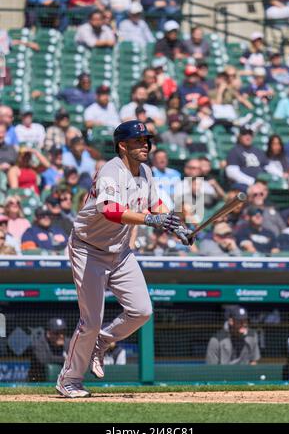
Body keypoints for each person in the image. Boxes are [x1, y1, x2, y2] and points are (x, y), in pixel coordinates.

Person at [56, 120, 193, 398]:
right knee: (90, 321)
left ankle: (102, 342)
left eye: (146, 141)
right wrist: (150, 219)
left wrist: (175, 225)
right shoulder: (110, 170)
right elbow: (109, 210)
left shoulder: (145, 170)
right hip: (88, 249)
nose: (145, 145)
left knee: (142, 311)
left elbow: (155, 204)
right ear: (123, 145)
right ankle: (69, 380)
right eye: (138, 141)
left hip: (118, 251)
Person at [225, 127, 270, 191]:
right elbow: (231, 173)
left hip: (261, 184)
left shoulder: (258, 151)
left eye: (250, 134)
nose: (248, 137)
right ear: (239, 136)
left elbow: (268, 166)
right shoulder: (235, 151)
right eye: (244, 134)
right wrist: (252, 182)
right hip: (242, 185)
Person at [28, 318, 70, 382]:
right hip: (38, 382)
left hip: (64, 382)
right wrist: (65, 359)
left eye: (63, 332)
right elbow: (44, 360)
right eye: (57, 333)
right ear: (48, 334)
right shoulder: (38, 344)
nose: (61, 336)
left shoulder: (68, 343)